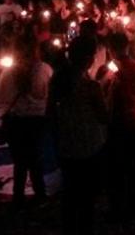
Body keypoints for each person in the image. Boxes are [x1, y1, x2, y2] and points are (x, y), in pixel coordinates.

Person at [48, 36, 107, 234]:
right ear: (89, 59)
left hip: (66, 143)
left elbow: (50, 113)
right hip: (89, 144)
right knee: (87, 195)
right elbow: (103, 116)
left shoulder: (57, 80)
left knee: (70, 191)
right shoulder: (91, 86)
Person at [0, 28, 52, 207]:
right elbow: (48, 94)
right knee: (35, 158)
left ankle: (18, 197)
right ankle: (40, 194)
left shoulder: (8, 73)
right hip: (37, 120)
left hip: (16, 120)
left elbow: (1, 98)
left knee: (19, 161)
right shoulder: (44, 69)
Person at [105, 32, 135, 221]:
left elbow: (112, 99)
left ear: (111, 50)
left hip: (120, 121)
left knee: (117, 166)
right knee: (134, 164)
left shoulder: (116, 72)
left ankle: (118, 206)